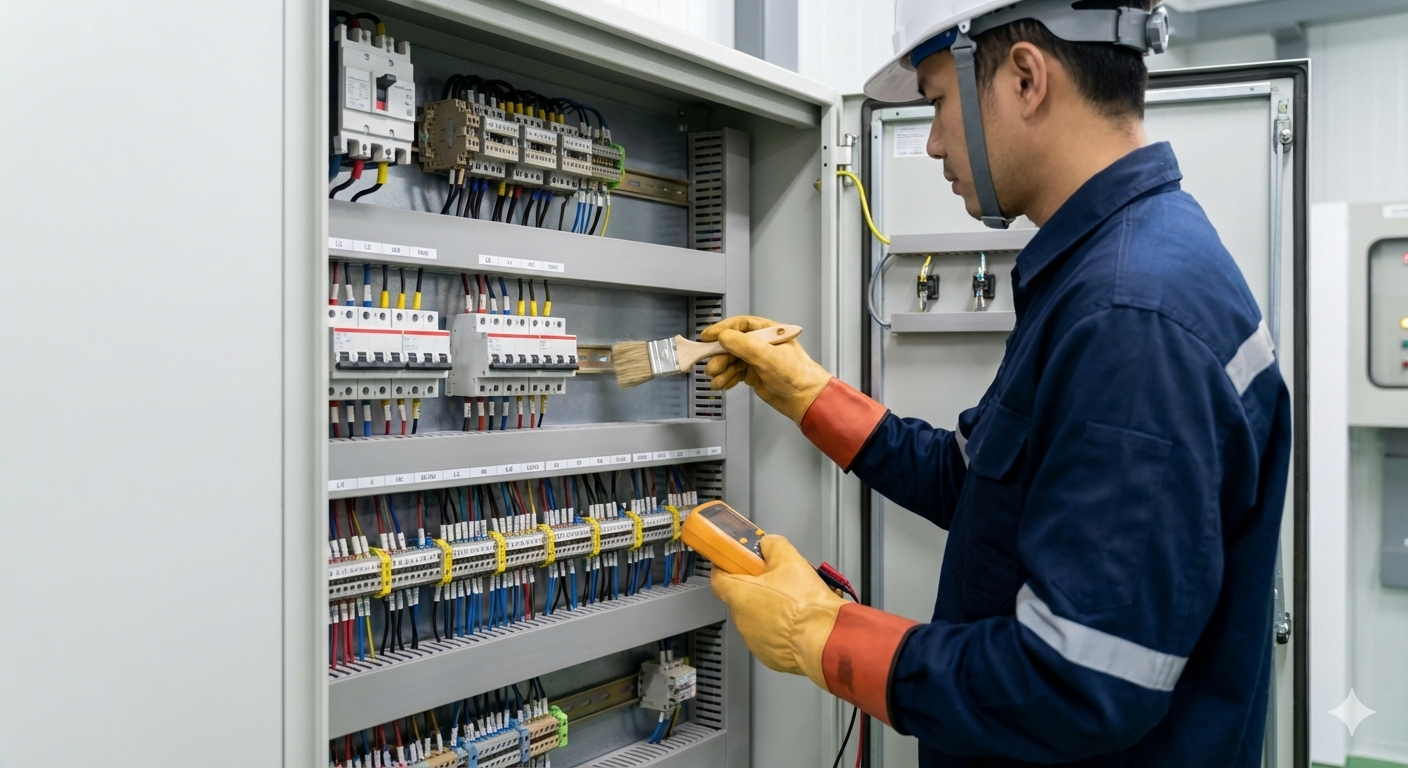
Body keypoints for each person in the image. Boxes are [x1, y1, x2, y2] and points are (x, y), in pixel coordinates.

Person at [702, 0, 1292, 765]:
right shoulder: (1110, 270)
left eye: (940, 102)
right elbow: (981, 485)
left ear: (1024, 78)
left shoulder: (1130, 310)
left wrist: (824, 635)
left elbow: (1073, 682)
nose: (936, 141)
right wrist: (809, 394)